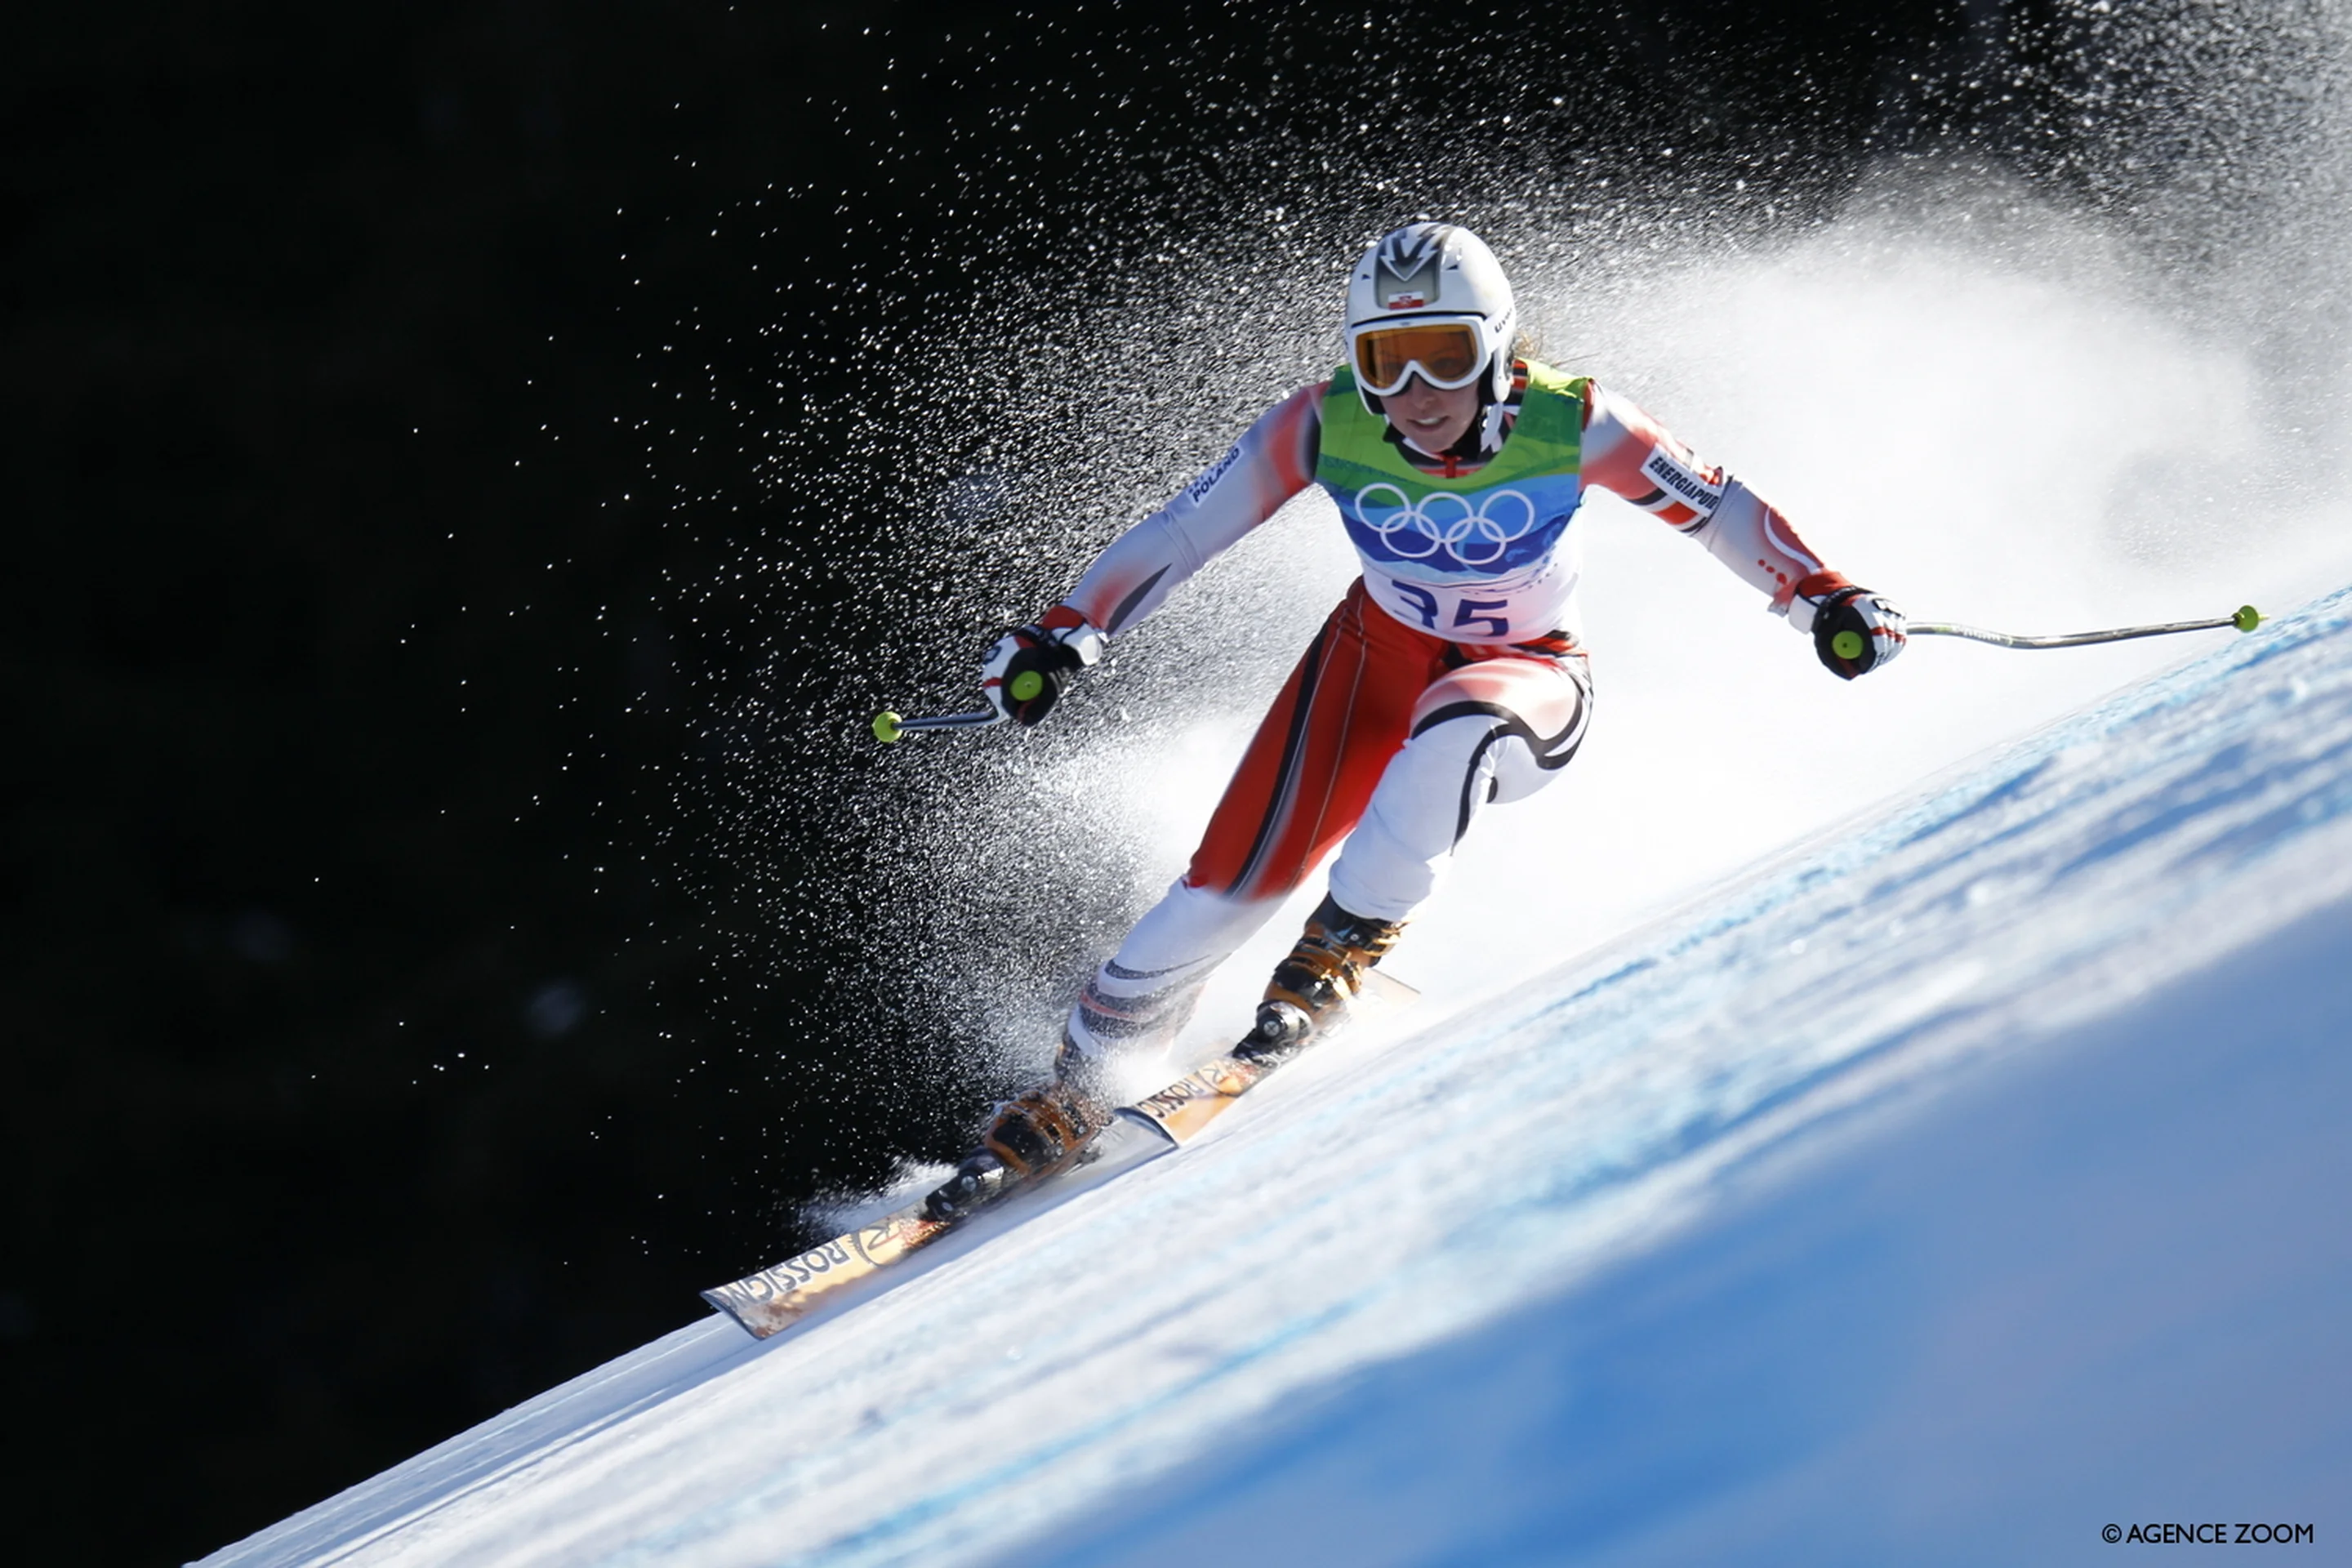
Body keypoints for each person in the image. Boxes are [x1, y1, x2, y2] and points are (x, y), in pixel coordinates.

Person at [927, 221, 1904, 1217]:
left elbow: (1722, 508)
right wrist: (1064, 632)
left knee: (1457, 725)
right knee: (1232, 880)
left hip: (1528, 675)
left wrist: (1825, 597)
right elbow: (1187, 531)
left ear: (1498, 349)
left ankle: (1343, 946)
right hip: (1370, 659)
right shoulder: (1322, 424)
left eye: (1446, 355)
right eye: (1386, 362)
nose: (1417, 393)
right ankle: (1087, 1077)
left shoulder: (1576, 423)